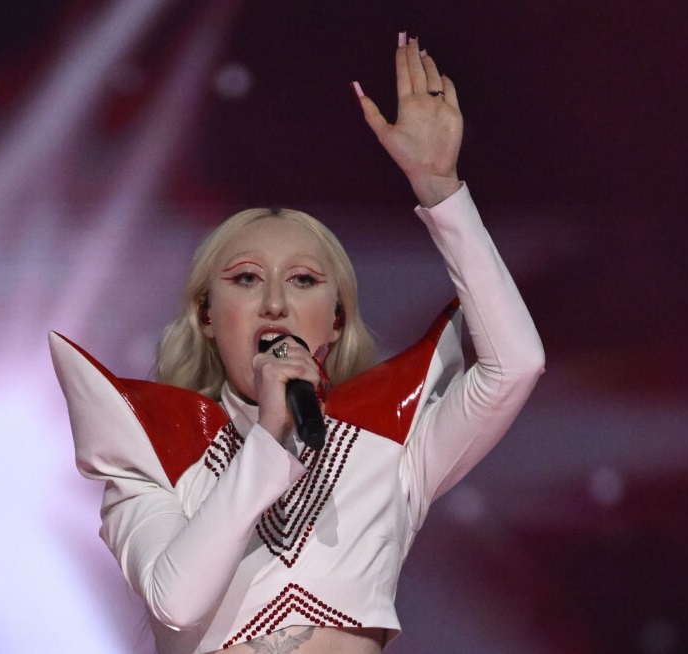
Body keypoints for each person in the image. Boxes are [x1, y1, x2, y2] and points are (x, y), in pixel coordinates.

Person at [50, 33, 545, 654]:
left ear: (335, 322)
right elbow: (176, 602)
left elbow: (516, 364)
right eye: (246, 279)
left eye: (304, 281)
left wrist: (440, 190)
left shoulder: (392, 448)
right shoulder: (147, 453)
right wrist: (268, 438)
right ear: (207, 315)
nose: (275, 302)